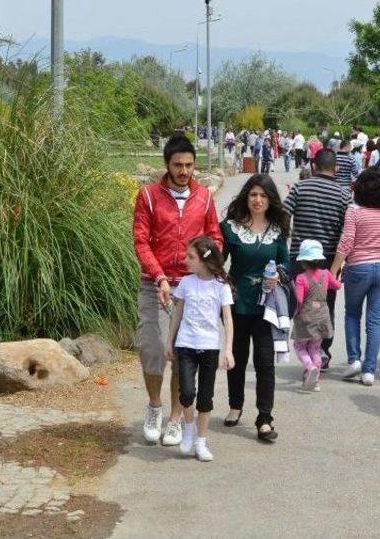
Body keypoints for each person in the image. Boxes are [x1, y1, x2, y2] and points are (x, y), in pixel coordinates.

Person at [133, 135, 223, 445]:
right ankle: (154, 406)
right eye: (178, 165)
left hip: (190, 286)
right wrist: (158, 276)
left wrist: (205, 270)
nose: (184, 171)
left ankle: (174, 418)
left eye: (188, 165)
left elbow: (215, 239)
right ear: (167, 165)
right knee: (155, 347)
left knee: (183, 354)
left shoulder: (205, 199)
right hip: (154, 284)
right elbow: (141, 241)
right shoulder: (148, 196)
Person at [221, 174, 290, 441]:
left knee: (264, 363)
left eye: (263, 195)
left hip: (266, 307)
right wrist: (226, 284)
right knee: (236, 358)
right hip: (237, 305)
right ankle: (235, 405)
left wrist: (279, 276)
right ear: (246, 197)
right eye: (253, 195)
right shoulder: (230, 228)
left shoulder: (277, 230)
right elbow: (218, 262)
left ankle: (264, 418)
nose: (258, 200)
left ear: (270, 199)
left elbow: (286, 264)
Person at [166, 236, 235, 461]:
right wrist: (170, 341)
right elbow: (177, 314)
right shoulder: (186, 283)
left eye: (190, 257)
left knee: (206, 396)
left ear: (205, 260)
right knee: (186, 392)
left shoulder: (220, 286)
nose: (185, 260)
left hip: (209, 347)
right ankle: (188, 429)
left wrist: (228, 349)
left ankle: (201, 441)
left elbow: (227, 318)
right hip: (185, 344)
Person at [284, 149, 351, 369]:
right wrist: (337, 265)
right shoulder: (343, 195)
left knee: (300, 303)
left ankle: (305, 349)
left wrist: (291, 235)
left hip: (299, 259)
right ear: (337, 169)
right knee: (325, 304)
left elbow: (284, 214)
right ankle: (321, 349)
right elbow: (347, 230)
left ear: (314, 166)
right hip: (328, 261)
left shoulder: (299, 188)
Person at [330, 168, 380, 386]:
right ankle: (369, 371)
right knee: (374, 320)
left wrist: (334, 269)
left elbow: (346, 242)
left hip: (358, 268)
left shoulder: (354, 211)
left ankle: (354, 360)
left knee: (352, 314)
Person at [292, 240, 342, 391]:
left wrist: (294, 313)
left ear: (303, 262)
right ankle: (316, 381)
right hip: (322, 317)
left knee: (299, 346)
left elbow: (299, 300)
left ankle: (310, 367)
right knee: (315, 348)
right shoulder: (326, 274)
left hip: (306, 318)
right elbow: (338, 286)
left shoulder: (301, 278)